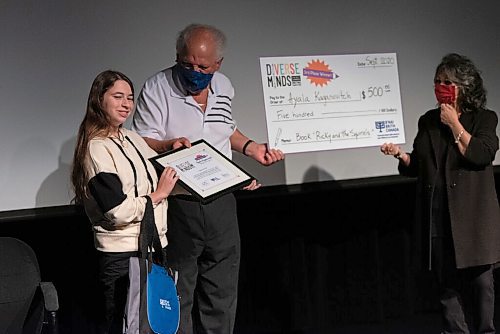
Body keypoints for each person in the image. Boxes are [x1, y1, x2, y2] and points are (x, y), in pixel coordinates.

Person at [131, 23, 285, 333]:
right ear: (177, 57)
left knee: (222, 288)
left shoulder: (224, 86)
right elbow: (139, 140)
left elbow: (224, 130)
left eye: (203, 66)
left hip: (222, 202)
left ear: (218, 65)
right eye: (187, 64)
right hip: (180, 204)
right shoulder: (157, 87)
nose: (194, 71)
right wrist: (168, 145)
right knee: (179, 288)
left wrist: (252, 148)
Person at [380, 53, 500, 333]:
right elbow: (420, 166)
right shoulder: (428, 121)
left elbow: (482, 154)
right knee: (447, 285)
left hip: (473, 216)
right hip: (439, 216)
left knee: (482, 283)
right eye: (437, 81)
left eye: (448, 82)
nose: (441, 86)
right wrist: (399, 154)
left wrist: (455, 124)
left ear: (464, 86)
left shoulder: (484, 118)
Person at [71, 70, 179, 333]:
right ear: (99, 99)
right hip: (122, 256)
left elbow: (161, 176)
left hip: (153, 249)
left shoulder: (131, 138)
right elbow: (117, 211)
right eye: (117, 96)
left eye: (129, 98)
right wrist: (158, 195)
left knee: (156, 327)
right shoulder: (96, 147)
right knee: (127, 327)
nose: (126, 104)